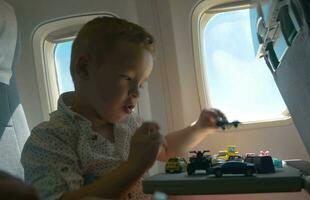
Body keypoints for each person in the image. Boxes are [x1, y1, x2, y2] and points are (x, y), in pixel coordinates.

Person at [21, 17, 226, 200]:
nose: (136, 92)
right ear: (84, 69)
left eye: (142, 83)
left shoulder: (131, 124)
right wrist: (134, 166)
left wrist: (199, 127)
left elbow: (164, 149)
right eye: (127, 78)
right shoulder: (49, 139)